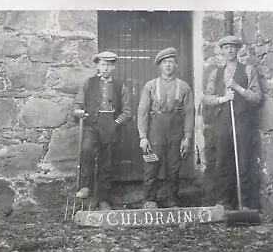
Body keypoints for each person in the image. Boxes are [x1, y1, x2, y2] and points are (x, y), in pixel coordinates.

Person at [202, 35, 262, 210]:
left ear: (238, 49)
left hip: (242, 120)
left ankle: (245, 203)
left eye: (232, 47)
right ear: (221, 50)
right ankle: (224, 201)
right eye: (226, 47)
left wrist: (237, 88)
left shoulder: (248, 70)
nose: (229, 50)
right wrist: (223, 99)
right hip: (222, 120)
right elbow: (207, 98)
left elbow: (257, 97)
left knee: (243, 161)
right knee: (222, 161)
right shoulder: (216, 73)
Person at [72, 51, 131, 211]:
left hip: (110, 125)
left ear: (113, 67)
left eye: (109, 65)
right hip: (92, 124)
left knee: (107, 161)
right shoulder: (88, 83)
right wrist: (78, 112)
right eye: (103, 64)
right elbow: (77, 104)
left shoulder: (120, 86)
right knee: (87, 149)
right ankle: (86, 187)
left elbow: (127, 112)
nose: (106, 68)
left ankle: (104, 198)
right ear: (97, 65)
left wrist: (116, 122)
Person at [137, 47, 195, 209]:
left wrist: (187, 138)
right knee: (152, 166)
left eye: (171, 62)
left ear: (176, 65)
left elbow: (190, 113)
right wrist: (143, 136)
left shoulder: (184, 87)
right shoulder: (150, 86)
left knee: (173, 167)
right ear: (160, 66)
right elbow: (142, 112)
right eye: (165, 62)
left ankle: (172, 200)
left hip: (176, 132)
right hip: (156, 131)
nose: (168, 65)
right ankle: (149, 200)